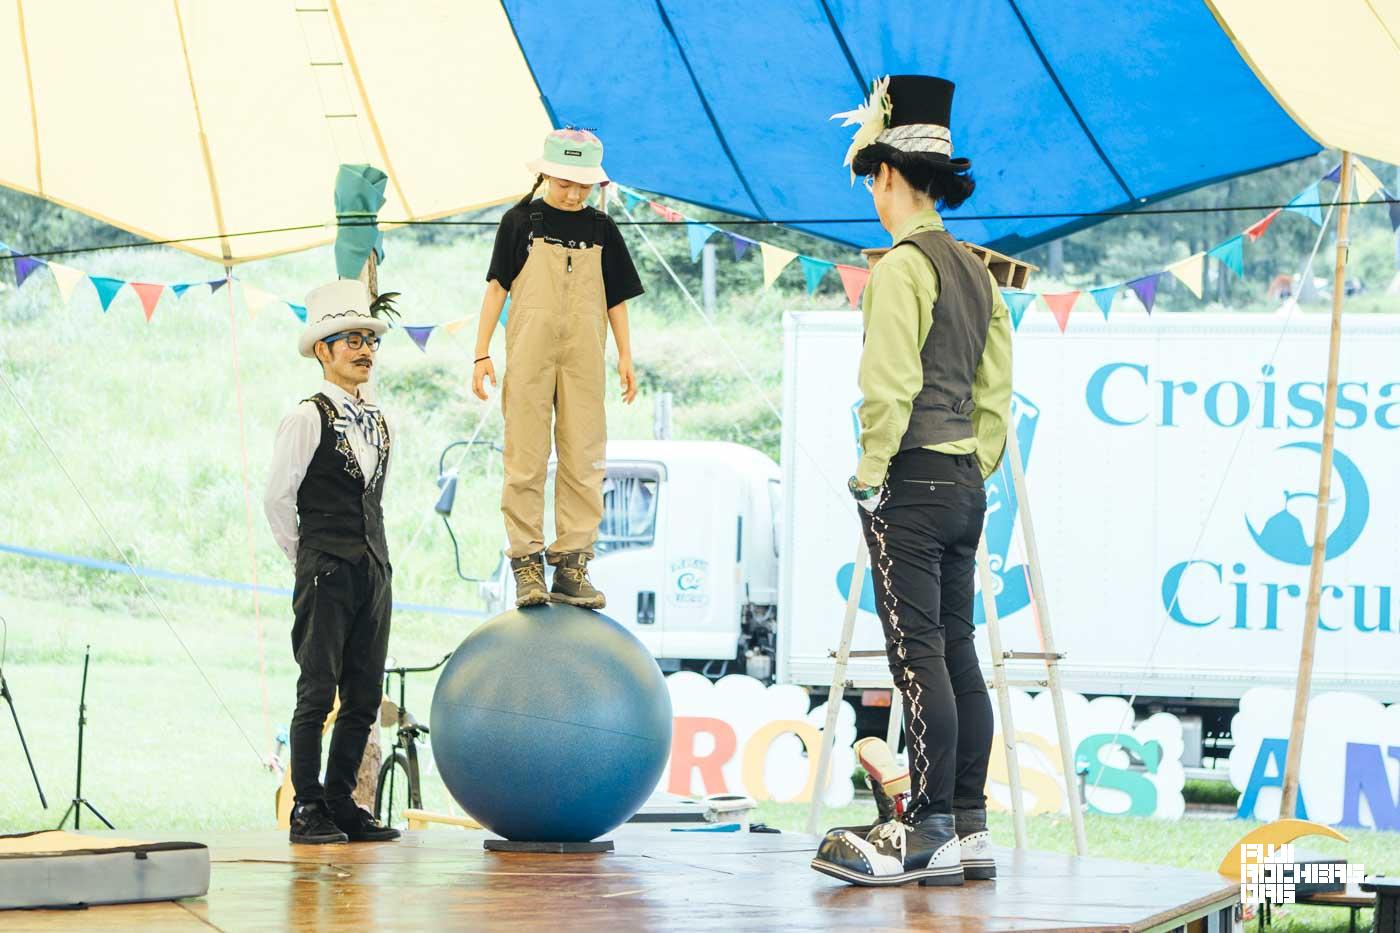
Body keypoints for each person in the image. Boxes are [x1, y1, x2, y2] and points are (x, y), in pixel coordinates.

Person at [810, 75, 1012, 887]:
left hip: (912, 479)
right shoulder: (975, 268)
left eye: (870, 175)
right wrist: (975, 460)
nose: (869, 189)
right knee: (957, 648)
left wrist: (868, 477)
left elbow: (886, 386)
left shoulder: (901, 267)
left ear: (888, 172)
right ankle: (968, 825)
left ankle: (922, 826)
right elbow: (998, 394)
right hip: (965, 477)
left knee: (915, 653)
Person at [471, 128, 643, 609]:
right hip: (529, 351)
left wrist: (626, 356)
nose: (573, 193)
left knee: (584, 457)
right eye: (565, 182)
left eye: (583, 185)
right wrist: (481, 352)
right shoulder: (519, 221)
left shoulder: (603, 230)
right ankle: (527, 565)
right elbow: (496, 289)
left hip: (585, 355)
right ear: (545, 172)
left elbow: (618, 300)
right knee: (524, 456)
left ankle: (571, 564)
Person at [264, 279, 401, 845]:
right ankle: (307, 807)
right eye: (351, 340)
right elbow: (277, 498)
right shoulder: (307, 416)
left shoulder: (380, 418)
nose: (364, 349)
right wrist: (309, 558)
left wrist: (369, 561)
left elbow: (373, 495)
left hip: (372, 567)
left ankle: (342, 801)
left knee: (364, 692)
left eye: (369, 339)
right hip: (325, 565)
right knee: (317, 690)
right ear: (324, 351)